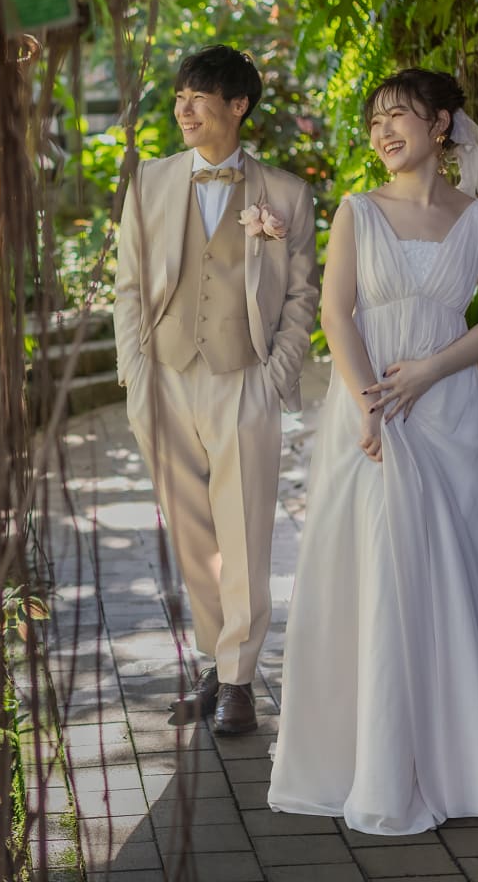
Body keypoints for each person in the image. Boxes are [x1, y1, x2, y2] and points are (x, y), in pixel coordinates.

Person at [267, 68, 478, 831]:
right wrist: (370, 405)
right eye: (373, 121)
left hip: (449, 407)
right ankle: (376, 764)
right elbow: (337, 314)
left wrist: (429, 370)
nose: (382, 131)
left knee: (458, 575)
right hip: (372, 414)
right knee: (381, 570)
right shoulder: (357, 211)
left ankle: (465, 764)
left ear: (442, 126)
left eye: (398, 115)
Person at [113, 45, 319, 734]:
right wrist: (136, 378)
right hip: (164, 377)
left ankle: (238, 682)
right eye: (179, 98)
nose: (184, 108)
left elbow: (300, 297)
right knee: (193, 535)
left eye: (199, 97)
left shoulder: (285, 194)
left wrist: (277, 375)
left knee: (247, 530)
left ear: (238, 105)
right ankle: (214, 658)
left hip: (243, 379)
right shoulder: (149, 183)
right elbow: (130, 290)